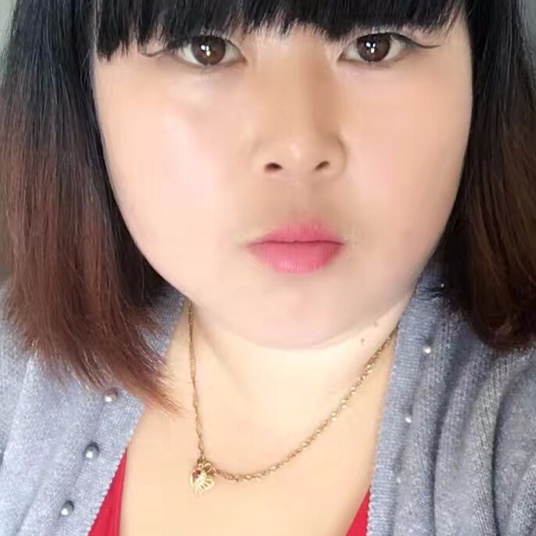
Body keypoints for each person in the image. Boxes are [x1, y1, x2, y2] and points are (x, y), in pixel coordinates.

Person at [1, 0, 536, 534]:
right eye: (206, 49)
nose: (298, 146)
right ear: (80, 83)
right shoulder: (20, 369)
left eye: (374, 46)